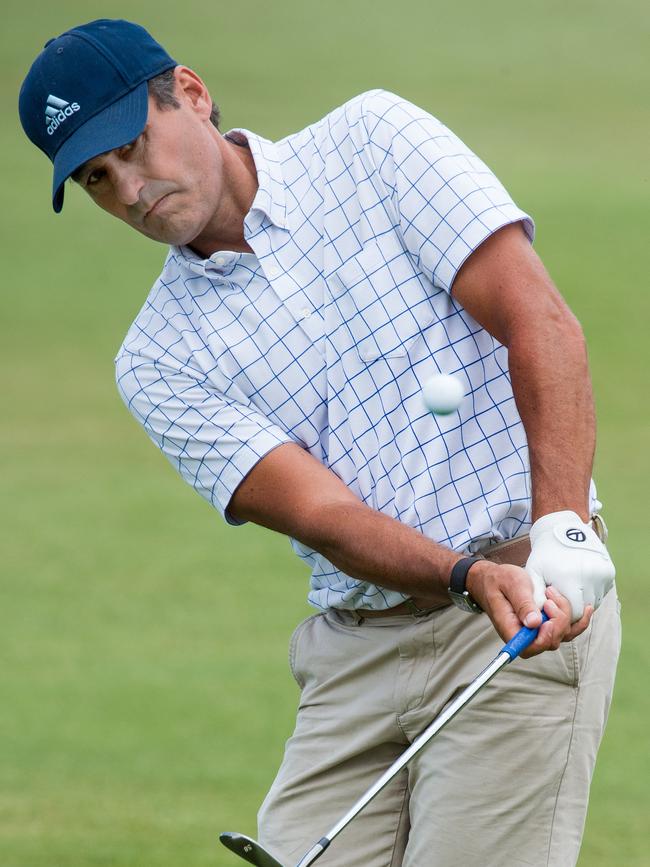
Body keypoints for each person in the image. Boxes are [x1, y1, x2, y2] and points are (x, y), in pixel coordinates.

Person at [19, 19, 620, 867]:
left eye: (129, 145)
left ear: (189, 92)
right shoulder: (156, 360)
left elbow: (539, 319)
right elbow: (325, 512)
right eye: (95, 178)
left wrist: (561, 526)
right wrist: (463, 574)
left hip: (527, 615)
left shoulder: (374, 142)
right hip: (357, 653)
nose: (127, 189)